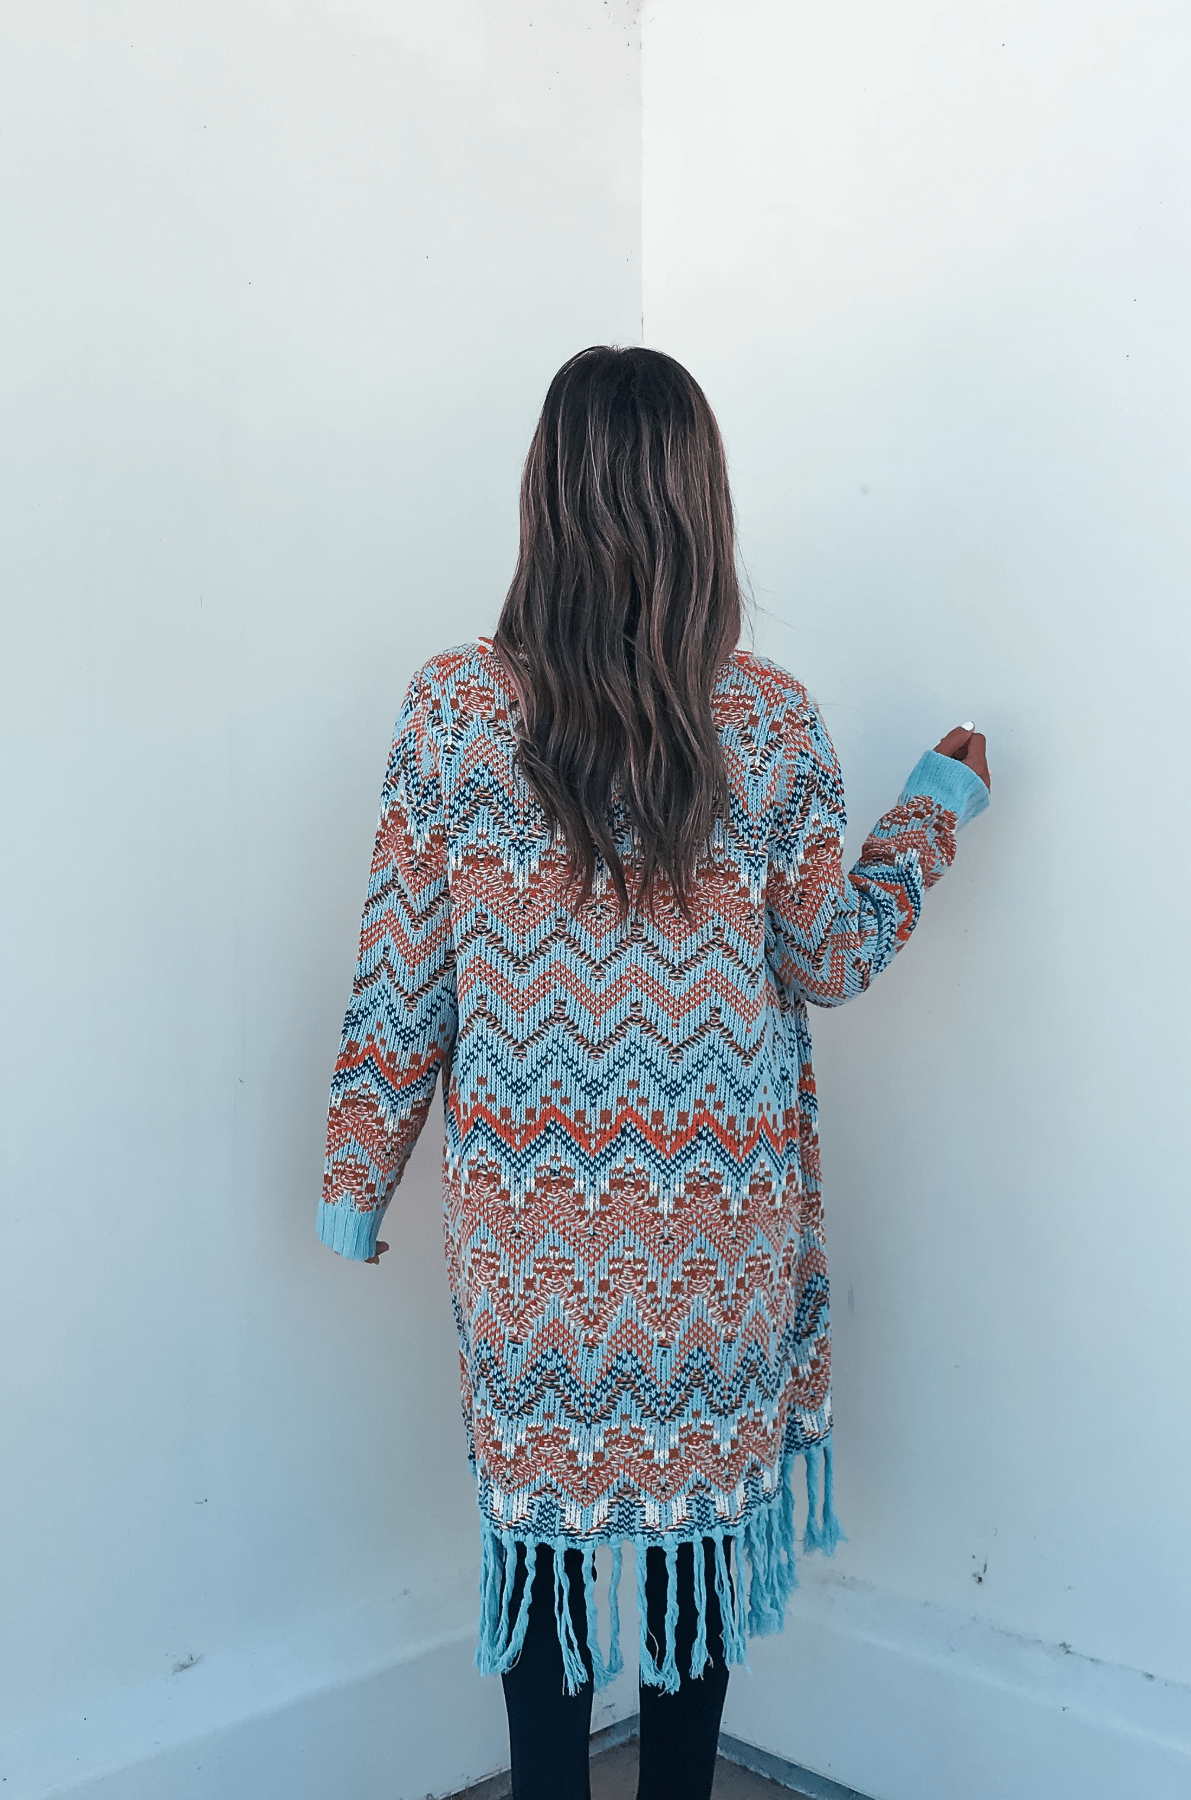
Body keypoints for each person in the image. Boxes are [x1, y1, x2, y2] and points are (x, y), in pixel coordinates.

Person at [317, 346, 991, 1800]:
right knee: (693, 1565)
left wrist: (355, 1179)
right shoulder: (771, 719)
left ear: (544, 497)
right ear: (703, 500)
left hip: (531, 1246)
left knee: (542, 1564)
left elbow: (401, 977)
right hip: (719, 1242)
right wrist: (932, 813)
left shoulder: (453, 710)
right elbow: (829, 958)